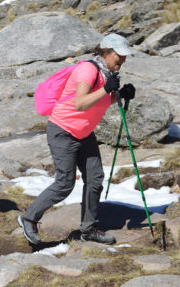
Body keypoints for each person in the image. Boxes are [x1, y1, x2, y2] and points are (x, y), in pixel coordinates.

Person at [19, 33, 136, 245]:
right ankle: (28, 218)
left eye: (125, 56)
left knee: (95, 179)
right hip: (63, 131)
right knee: (64, 183)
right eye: (120, 55)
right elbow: (80, 103)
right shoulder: (88, 70)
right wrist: (106, 89)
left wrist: (118, 95)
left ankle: (89, 229)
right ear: (107, 52)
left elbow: (97, 103)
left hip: (83, 134)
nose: (123, 60)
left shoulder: (106, 72)